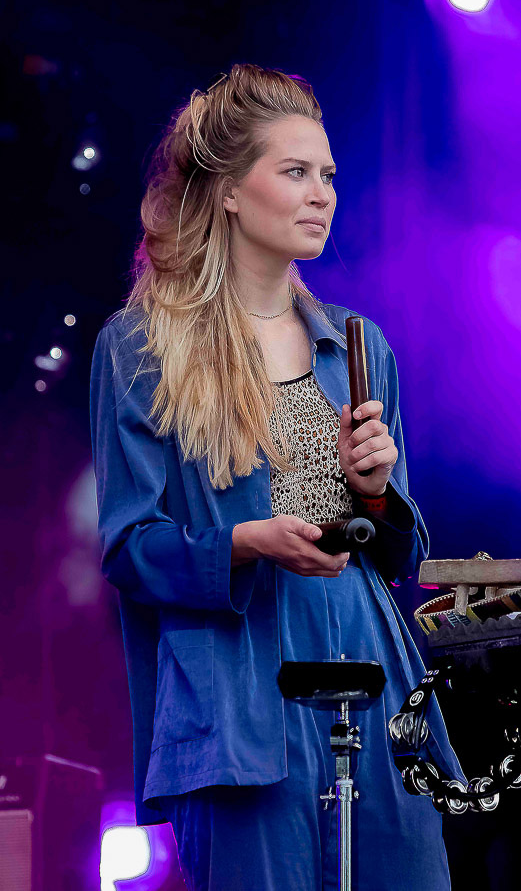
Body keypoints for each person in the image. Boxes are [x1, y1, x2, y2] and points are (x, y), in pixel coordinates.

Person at [90, 63, 461, 891]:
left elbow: (399, 556)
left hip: (372, 675)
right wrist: (246, 542)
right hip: (239, 698)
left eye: (328, 175)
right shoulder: (141, 346)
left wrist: (376, 493)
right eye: (295, 171)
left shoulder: (358, 345)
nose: (321, 194)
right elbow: (128, 547)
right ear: (228, 190)